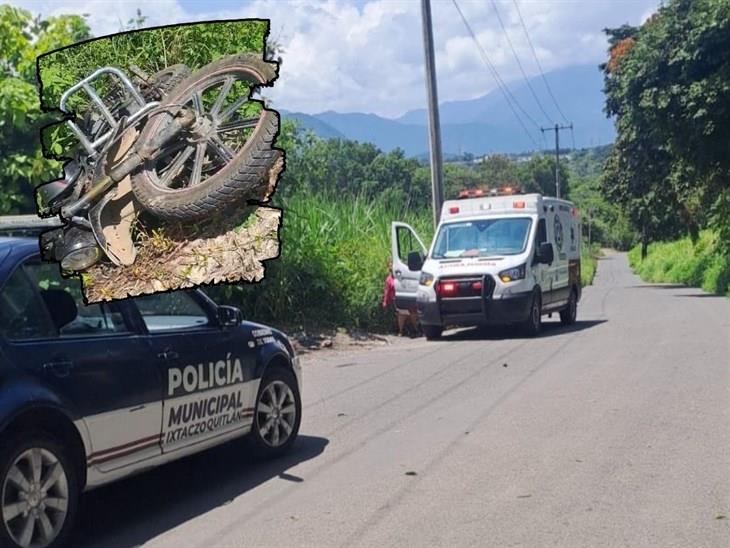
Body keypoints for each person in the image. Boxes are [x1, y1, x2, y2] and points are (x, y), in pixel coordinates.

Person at [382, 260, 420, 336]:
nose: (391, 268)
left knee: (412, 312)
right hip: (397, 299)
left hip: (407, 296)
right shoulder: (389, 280)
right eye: (390, 266)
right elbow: (387, 292)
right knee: (401, 313)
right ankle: (401, 331)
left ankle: (416, 329)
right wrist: (385, 302)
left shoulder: (402, 276)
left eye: (392, 266)